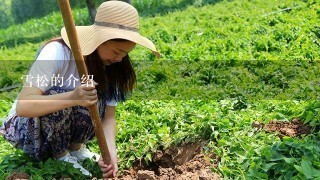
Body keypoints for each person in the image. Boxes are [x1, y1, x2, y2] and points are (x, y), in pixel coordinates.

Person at [0, 1, 159, 178]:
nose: (119, 59)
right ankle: (60, 155)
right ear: (100, 40)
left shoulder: (112, 67)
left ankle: (75, 149)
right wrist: (73, 97)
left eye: (125, 54)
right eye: (116, 51)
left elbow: (108, 116)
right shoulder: (56, 52)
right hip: (28, 128)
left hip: (63, 129)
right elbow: (24, 106)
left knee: (95, 97)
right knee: (59, 94)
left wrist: (111, 152)